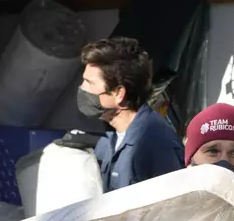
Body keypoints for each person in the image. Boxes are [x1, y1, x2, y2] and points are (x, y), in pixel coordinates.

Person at [77, 36, 184, 191]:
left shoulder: (156, 144)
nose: (82, 88)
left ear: (119, 93)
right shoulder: (109, 137)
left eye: (90, 83)